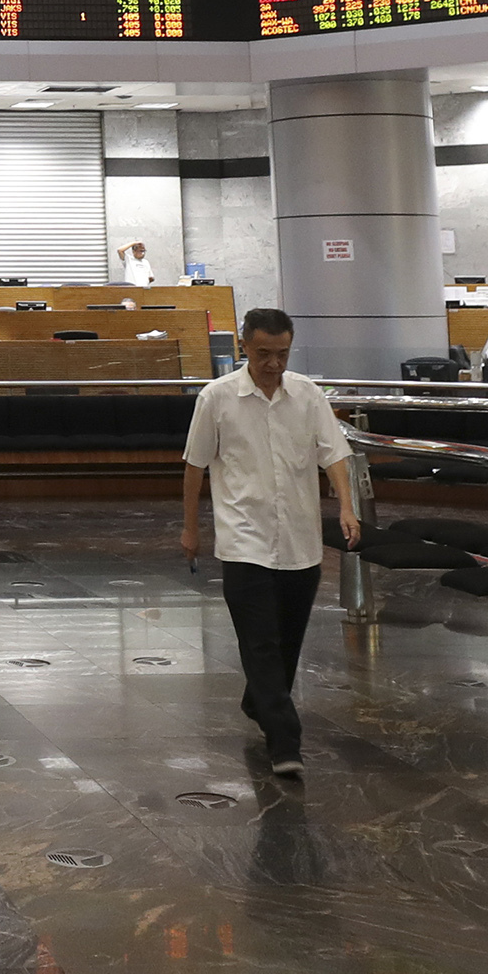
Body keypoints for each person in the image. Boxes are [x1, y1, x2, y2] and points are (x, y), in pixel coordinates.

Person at [180, 306, 356, 779]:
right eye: (263, 354)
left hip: (300, 540)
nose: (273, 364)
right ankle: (285, 741)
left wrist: (346, 506)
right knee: (260, 642)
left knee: (287, 641)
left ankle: (258, 700)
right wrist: (191, 529)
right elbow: (195, 465)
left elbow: (334, 454)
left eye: (282, 354)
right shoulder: (217, 397)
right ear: (244, 347)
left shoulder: (308, 394)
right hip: (244, 540)